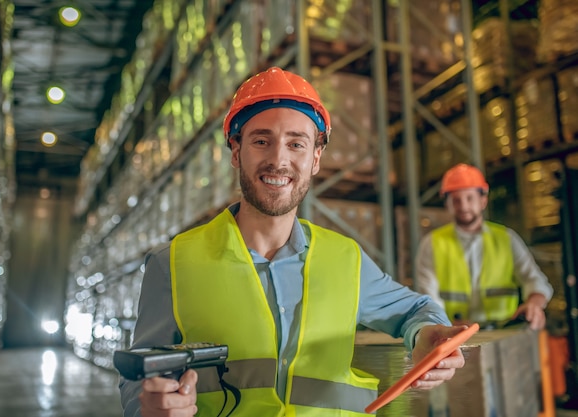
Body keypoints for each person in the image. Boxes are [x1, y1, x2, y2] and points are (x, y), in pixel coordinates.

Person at [119, 66, 467, 417]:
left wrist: (426, 333)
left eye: (296, 144)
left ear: (315, 158)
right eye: (261, 141)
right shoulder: (173, 262)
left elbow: (416, 310)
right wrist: (148, 409)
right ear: (236, 152)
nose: (279, 160)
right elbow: (138, 377)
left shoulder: (346, 259)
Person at [415, 163, 554, 330]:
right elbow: (428, 296)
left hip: (504, 331)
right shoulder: (431, 244)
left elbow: (535, 281)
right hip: (453, 334)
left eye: (470, 198)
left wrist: (534, 303)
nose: (464, 206)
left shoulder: (506, 239)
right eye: (456, 200)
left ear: (483, 200)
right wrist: (444, 323)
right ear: (447, 204)